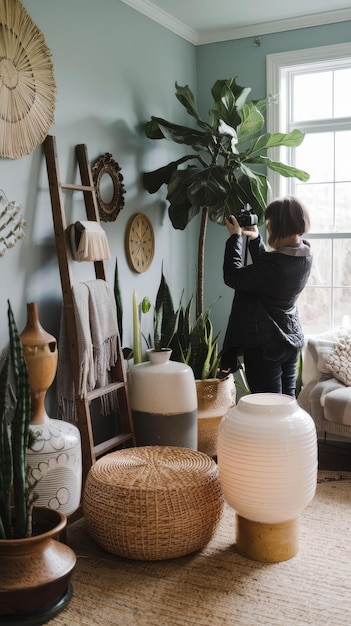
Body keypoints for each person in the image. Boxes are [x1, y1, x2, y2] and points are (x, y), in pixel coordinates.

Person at [221, 196, 312, 397]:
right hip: (291, 339)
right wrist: (255, 240)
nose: (268, 226)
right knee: (287, 403)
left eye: (270, 222)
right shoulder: (305, 254)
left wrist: (235, 237)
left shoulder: (276, 265)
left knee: (267, 406)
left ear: (278, 226)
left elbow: (233, 276)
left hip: (266, 345)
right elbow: (268, 274)